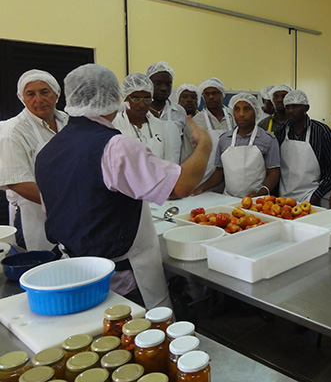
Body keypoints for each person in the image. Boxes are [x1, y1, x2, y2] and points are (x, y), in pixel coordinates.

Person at [34, 64, 212, 309]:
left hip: (74, 273)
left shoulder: (47, 152)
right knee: (139, 338)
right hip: (123, 279)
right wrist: (204, 144)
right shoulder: (115, 147)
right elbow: (180, 186)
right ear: (116, 98)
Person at [0, 70, 68, 250]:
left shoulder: (69, 122)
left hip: (71, 208)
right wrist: (63, 203)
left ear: (56, 93)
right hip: (33, 214)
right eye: (30, 94)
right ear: (22, 98)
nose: (38, 99)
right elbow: (18, 182)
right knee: (44, 266)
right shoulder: (14, 131)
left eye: (44, 92)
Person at [196, 92, 280, 198]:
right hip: (228, 198)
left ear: (255, 112)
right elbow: (219, 172)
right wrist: (201, 188)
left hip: (257, 200)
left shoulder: (267, 139)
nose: (241, 114)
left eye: (246, 109)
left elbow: (273, 173)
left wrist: (261, 192)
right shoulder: (224, 139)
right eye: (237, 109)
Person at [274, 90, 331, 206]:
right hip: (283, 198)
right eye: (288, 107)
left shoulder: (321, 131)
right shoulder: (281, 131)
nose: (291, 111)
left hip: (312, 196)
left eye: (295, 107)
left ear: (306, 108)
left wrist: (316, 196)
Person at [112, 73, 181, 163]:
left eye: (147, 99)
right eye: (136, 99)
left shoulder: (162, 128)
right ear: (126, 99)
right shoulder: (113, 126)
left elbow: (170, 164)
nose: (142, 105)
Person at [192, 77, 236, 181]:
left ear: (222, 94)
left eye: (215, 93)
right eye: (207, 94)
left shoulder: (233, 116)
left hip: (232, 172)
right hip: (206, 174)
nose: (211, 97)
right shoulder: (196, 121)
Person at [145, 61, 188, 133]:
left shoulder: (179, 112)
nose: (164, 88)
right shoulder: (140, 111)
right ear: (148, 83)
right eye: (158, 83)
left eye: (168, 84)